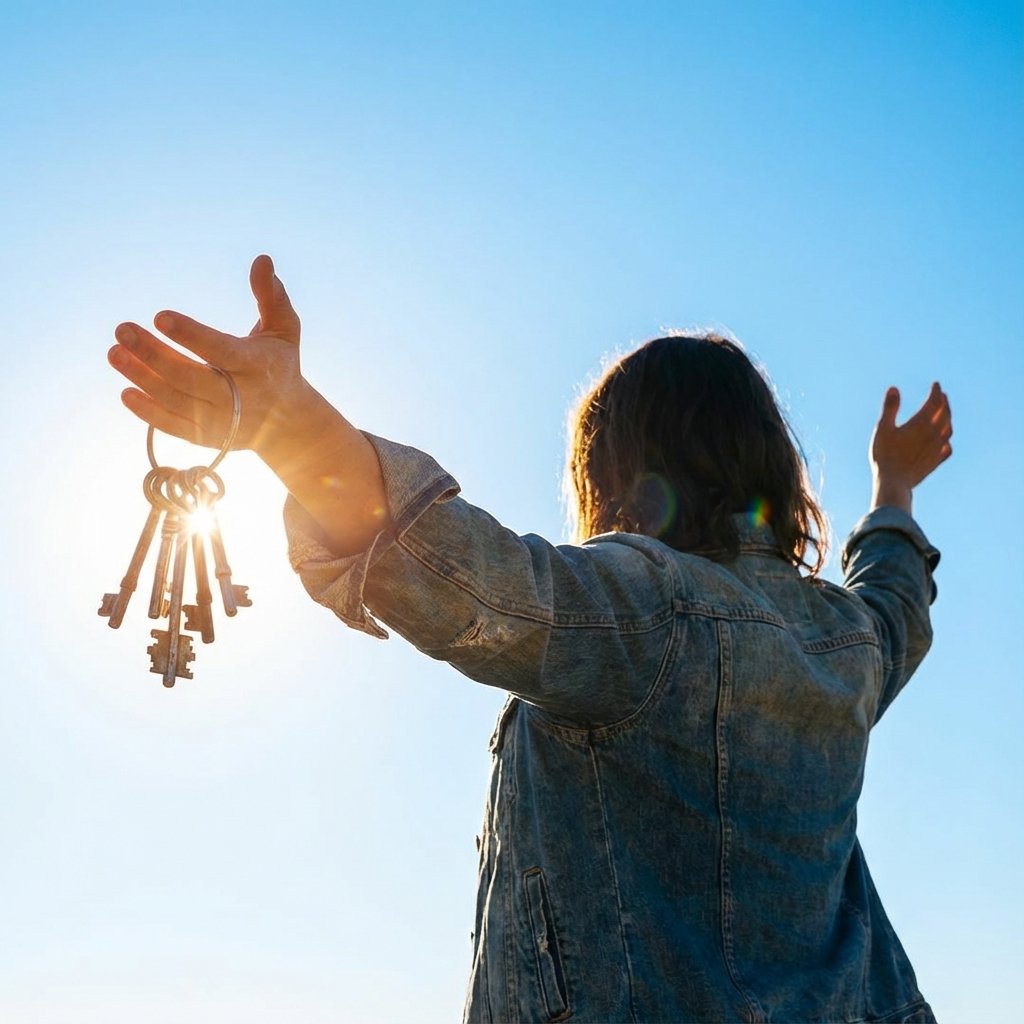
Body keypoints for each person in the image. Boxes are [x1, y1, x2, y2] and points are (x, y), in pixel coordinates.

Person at [108, 255, 953, 1024]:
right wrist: (895, 485)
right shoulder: (847, 641)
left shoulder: (649, 609)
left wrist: (292, 431)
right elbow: (896, 599)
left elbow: (480, 582)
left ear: (616, 470)